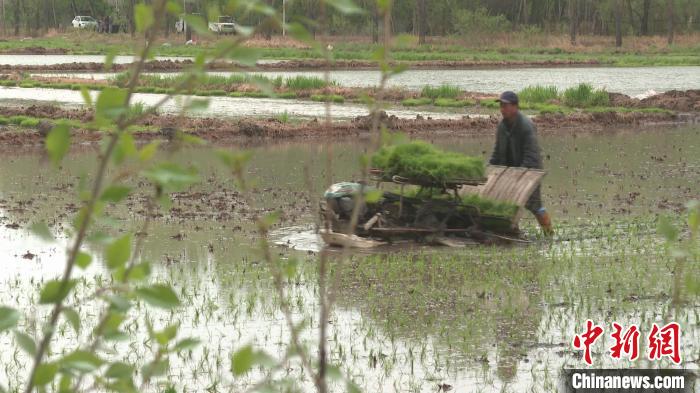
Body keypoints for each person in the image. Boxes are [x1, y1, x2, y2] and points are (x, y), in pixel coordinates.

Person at [489, 91, 553, 236]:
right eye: (501, 105)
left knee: (535, 205)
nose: (502, 109)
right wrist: (490, 169)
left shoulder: (526, 125)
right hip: (510, 172)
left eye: (505, 105)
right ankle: (512, 231)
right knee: (508, 203)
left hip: (530, 173)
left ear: (515, 107)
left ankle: (549, 234)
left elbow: (531, 154)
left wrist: (521, 176)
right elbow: (497, 152)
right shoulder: (502, 126)